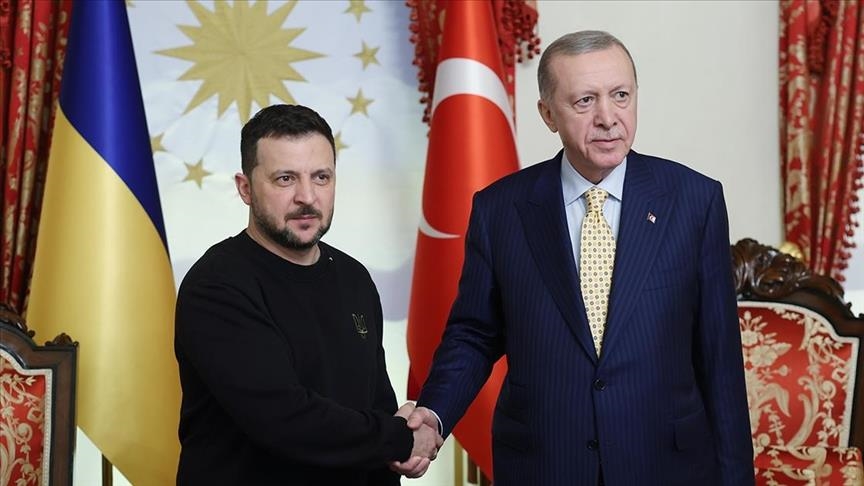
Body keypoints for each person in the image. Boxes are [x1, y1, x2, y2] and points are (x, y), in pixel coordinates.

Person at [402, 30, 754, 485]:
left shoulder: (694, 201)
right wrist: (433, 414)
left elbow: (719, 358)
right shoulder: (500, 210)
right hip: (545, 464)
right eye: (585, 101)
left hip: (666, 465)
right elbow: (474, 334)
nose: (608, 118)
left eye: (621, 95)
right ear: (548, 114)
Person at [174, 104, 440, 485]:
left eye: (321, 177)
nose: (307, 196)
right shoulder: (216, 286)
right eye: (285, 179)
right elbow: (285, 420)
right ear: (245, 188)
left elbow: (377, 406)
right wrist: (400, 439)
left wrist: (401, 444)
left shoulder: (354, 279)